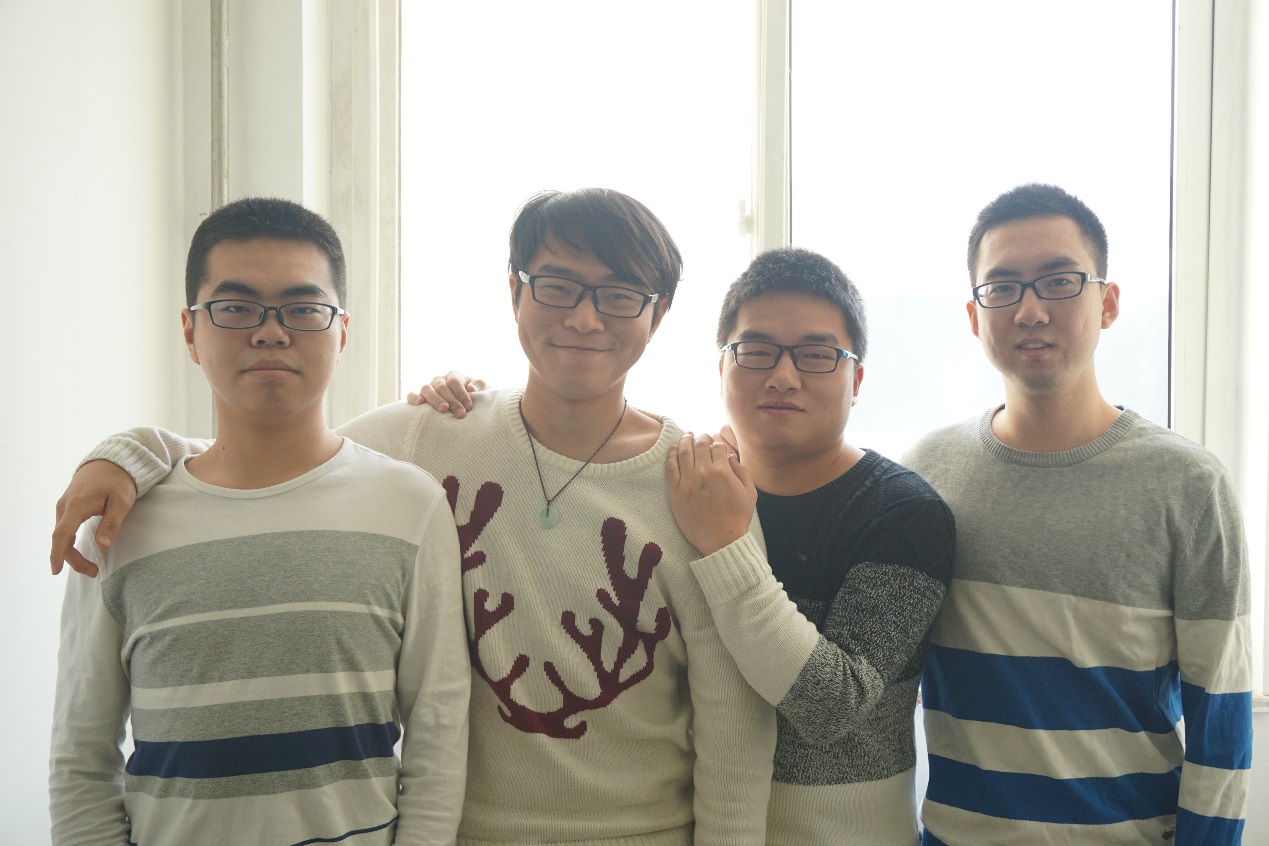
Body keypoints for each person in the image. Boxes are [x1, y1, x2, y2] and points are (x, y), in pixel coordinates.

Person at [49, 188, 776, 845]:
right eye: (556, 286)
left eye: (619, 295)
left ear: (659, 313)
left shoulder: (700, 486)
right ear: (514, 292)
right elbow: (264, 458)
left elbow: (733, 736)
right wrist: (130, 455)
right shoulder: (428, 436)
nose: (584, 317)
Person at [415, 248, 956, 845]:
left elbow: (830, 706)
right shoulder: (689, 483)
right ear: (721, 368)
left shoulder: (903, 514)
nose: (783, 375)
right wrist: (461, 405)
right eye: (756, 351)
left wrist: (729, 547)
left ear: (856, 380)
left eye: (816, 354)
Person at [48, 197, 471, 845]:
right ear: (189, 331)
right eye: (236, 307)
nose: (271, 332)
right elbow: (80, 758)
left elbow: (437, 736)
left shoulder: (409, 505)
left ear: (342, 332)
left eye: (303, 309)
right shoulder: (118, 522)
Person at [904, 183, 1252, 845]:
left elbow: (1222, 721)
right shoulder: (928, 471)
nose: (1030, 309)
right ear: (974, 316)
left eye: (1059, 281)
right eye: (1001, 287)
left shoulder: (1187, 485)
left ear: (1108, 302)